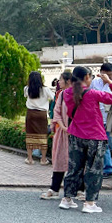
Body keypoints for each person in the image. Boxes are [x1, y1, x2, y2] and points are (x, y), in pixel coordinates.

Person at [59, 66, 112, 213]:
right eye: (90, 77)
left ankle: (67, 199)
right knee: (94, 170)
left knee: (74, 168)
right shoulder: (93, 94)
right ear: (86, 77)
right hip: (95, 137)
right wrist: (110, 82)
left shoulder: (66, 93)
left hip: (76, 136)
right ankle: (89, 203)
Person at [41, 72, 73, 200]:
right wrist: (62, 126)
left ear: (68, 81)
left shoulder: (80, 94)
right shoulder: (62, 95)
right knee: (60, 160)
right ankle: (54, 189)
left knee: (77, 163)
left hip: (76, 134)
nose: (58, 82)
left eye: (60, 80)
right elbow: (56, 112)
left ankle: (79, 190)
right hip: (62, 132)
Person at [89, 62, 112, 179]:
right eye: (107, 75)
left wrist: (110, 82)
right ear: (101, 73)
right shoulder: (95, 82)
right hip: (98, 118)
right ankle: (108, 168)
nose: (109, 78)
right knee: (103, 144)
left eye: (111, 75)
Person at [24, 71, 54, 165]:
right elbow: (53, 97)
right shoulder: (45, 89)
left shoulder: (27, 89)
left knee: (30, 135)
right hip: (42, 114)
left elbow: (25, 96)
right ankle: (43, 159)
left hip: (30, 114)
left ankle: (30, 159)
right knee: (42, 136)